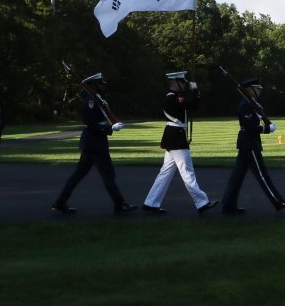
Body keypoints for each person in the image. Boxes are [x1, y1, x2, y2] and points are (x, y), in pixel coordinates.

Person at [51, 73, 135, 215]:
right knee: (108, 174)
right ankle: (120, 204)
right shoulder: (90, 101)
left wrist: (112, 124)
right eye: (100, 84)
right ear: (94, 85)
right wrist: (110, 128)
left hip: (92, 143)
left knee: (78, 175)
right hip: (95, 143)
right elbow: (91, 124)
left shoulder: (97, 99)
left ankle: (60, 202)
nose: (103, 86)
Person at [142, 71, 218, 215]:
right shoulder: (172, 99)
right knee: (187, 172)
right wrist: (194, 90)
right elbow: (192, 106)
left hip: (174, 137)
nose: (184, 84)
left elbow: (191, 104)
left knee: (165, 173)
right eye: (181, 82)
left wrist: (195, 92)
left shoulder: (176, 98)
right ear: (174, 83)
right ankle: (202, 202)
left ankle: (151, 203)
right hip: (176, 138)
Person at [221, 78, 285, 215]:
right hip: (249, 144)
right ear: (249, 89)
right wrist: (266, 129)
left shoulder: (251, 104)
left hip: (248, 143)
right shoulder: (246, 105)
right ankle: (278, 201)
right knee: (262, 175)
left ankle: (228, 204)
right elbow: (249, 127)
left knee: (237, 176)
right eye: (257, 88)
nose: (260, 91)